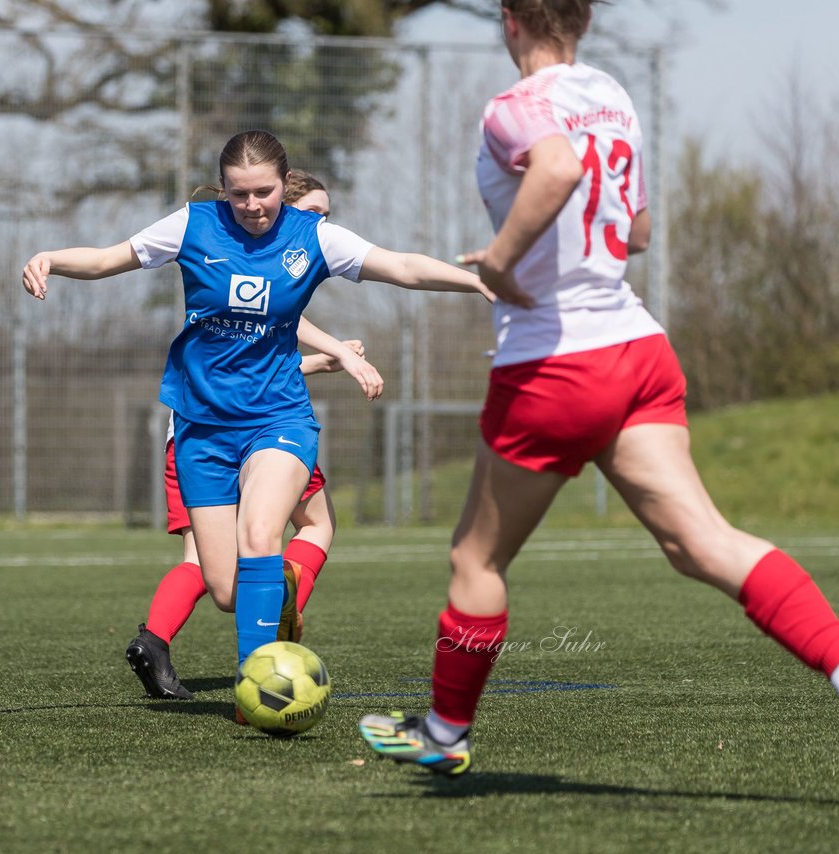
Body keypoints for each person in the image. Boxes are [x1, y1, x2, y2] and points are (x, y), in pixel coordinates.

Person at [358, 0, 839, 777]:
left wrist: (503, 262)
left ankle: (444, 734)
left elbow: (557, 167)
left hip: (555, 361)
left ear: (510, 20)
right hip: (636, 348)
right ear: (580, 22)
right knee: (702, 544)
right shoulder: (611, 94)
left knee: (474, 560)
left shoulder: (517, 104)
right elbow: (638, 232)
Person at [24, 130, 492, 707]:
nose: (252, 206)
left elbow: (399, 267)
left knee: (262, 533)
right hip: (200, 427)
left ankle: (260, 688)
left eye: (264, 193)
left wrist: (472, 279)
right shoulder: (192, 225)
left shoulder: (314, 237)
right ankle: (269, 620)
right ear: (223, 190)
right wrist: (51, 258)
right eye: (239, 194)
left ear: (283, 185)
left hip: (278, 417)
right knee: (225, 589)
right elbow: (108, 258)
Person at [124, 170, 374, 702]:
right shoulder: (278, 251)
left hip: (198, 429)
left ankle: (158, 639)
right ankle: (282, 617)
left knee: (215, 558)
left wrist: (330, 356)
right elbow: (263, 361)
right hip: (235, 427)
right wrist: (336, 357)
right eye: (316, 213)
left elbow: (267, 346)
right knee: (313, 526)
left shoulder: (261, 259)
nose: (322, 223)